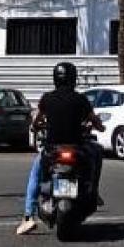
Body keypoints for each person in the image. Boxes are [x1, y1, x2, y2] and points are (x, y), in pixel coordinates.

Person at [17, 61, 104, 235]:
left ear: (55, 78)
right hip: (77, 149)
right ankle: (93, 190)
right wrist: (98, 126)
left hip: (52, 150)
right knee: (97, 152)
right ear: (73, 78)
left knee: (35, 173)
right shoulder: (81, 99)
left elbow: (36, 121)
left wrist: (37, 126)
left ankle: (28, 216)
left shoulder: (46, 98)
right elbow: (94, 120)